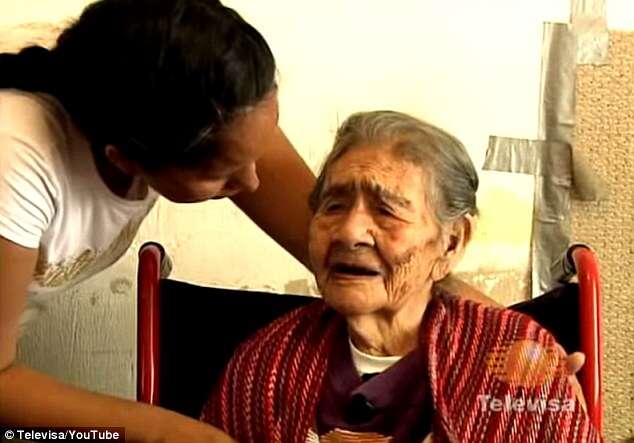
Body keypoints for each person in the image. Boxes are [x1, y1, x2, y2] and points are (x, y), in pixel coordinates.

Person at [0, 0, 312, 441]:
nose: (254, 182)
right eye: (221, 176)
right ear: (125, 158)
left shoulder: (204, 98)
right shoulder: (16, 159)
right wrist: (167, 432)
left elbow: (319, 237)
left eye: (256, 154)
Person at [201, 111, 601, 442]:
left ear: (451, 243)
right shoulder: (264, 364)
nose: (350, 232)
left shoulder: (520, 362)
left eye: (387, 211)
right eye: (334, 205)